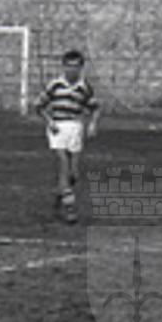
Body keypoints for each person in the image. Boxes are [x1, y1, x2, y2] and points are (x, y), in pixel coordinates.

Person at [34, 49, 99, 223]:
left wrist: (92, 124)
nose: (72, 70)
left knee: (73, 174)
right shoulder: (55, 85)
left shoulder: (84, 87)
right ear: (63, 67)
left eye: (76, 66)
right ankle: (70, 209)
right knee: (63, 164)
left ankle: (60, 196)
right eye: (69, 66)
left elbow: (95, 108)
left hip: (75, 128)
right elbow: (38, 105)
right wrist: (49, 121)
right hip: (58, 128)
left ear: (81, 68)